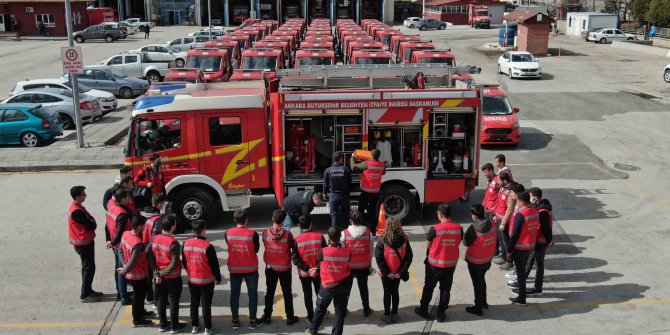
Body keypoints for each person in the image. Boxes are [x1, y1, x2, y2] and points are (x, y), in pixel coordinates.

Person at [416, 204, 463, 322]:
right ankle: (441, 314)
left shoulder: (435, 229)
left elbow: (428, 244)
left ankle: (423, 310)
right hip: (450, 264)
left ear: (441, 215)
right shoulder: (459, 228)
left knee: (429, 287)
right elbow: (459, 240)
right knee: (445, 289)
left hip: (434, 265)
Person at [305, 227, 352, 335]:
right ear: (340, 237)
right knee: (340, 312)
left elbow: (320, 263)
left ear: (329, 238)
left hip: (327, 286)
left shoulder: (322, 252)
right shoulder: (347, 251)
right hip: (343, 285)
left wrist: (315, 269)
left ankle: (312, 330)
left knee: (320, 309)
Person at [224, 209, 264, 330]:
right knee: (252, 295)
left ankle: (235, 321)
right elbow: (256, 249)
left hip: (234, 270)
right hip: (250, 269)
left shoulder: (227, 233)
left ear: (234, 220)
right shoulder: (253, 234)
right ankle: (252, 321)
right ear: (246, 220)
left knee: (234, 295)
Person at [183, 220, 222, 335]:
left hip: (192, 279)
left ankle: (194, 326)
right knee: (206, 305)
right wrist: (218, 278)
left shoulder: (186, 243)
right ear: (204, 230)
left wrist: (190, 272)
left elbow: (184, 261)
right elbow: (214, 265)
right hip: (206, 280)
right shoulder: (208, 246)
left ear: (193, 231)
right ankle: (208, 328)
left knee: (194, 303)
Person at [512, 187, 552, 296]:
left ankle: (537, 289)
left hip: (541, 241)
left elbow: (546, 228)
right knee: (531, 262)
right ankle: (522, 283)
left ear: (535, 197)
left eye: (530, 197)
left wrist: (549, 240)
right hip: (537, 240)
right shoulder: (539, 207)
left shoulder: (542, 211)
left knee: (539, 264)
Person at [262, 209, 300, 325]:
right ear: (283, 221)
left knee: (270, 292)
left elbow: (264, 244)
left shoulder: (265, 232)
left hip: (270, 267)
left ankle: (267, 316)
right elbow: (293, 248)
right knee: (287, 293)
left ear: (272, 219)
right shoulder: (288, 235)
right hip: (284, 268)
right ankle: (290, 317)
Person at [118, 215, 155, 327]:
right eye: (144, 225)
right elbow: (133, 261)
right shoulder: (137, 243)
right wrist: (125, 269)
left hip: (133, 273)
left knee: (141, 294)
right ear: (139, 227)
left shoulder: (125, 234)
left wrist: (124, 264)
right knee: (138, 298)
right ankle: (137, 320)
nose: (145, 227)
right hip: (138, 274)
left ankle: (141, 312)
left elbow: (120, 250)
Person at [151, 214, 186, 333]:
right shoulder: (173, 243)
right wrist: (161, 273)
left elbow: (151, 257)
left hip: (159, 277)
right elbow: (174, 262)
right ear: (173, 227)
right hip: (172, 277)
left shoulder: (155, 238)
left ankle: (162, 324)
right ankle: (174, 326)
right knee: (173, 301)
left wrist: (157, 274)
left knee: (161, 299)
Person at [375, 217, 412, 324]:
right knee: (395, 292)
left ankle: (387, 314)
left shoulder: (382, 240)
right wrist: (400, 272)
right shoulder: (404, 240)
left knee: (387, 292)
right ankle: (394, 313)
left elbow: (379, 258)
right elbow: (408, 258)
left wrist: (387, 273)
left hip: (385, 274)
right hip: (397, 273)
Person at [68, 186, 102, 303]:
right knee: (89, 268)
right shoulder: (76, 211)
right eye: (83, 194)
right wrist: (93, 222)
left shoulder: (77, 207)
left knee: (88, 267)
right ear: (77, 197)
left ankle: (88, 289)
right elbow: (91, 224)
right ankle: (85, 294)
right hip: (83, 243)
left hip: (85, 241)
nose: (85, 195)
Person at [292, 215, 328, 323]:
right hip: (318, 272)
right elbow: (325, 254)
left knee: (307, 295)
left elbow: (295, 259)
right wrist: (316, 269)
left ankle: (311, 316)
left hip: (304, 274)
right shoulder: (319, 236)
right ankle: (322, 313)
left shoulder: (296, 240)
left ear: (299, 226)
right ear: (311, 224)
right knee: (319, 293)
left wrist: (307, 269)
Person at [506, 191, 538, 306]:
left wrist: (509, 251)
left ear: (520, 201)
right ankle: (522, 295)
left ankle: (521, 298)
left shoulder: (521, 215)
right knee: (523, 271)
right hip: (531, 246)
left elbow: (514, 235)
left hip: (520, 248)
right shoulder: (535, 211)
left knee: (520, 274)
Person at [463, 204, 496, 316]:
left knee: (477, 284)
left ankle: (478, 308)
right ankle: (483, 302)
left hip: (475, 261)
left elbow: (465, 242)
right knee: (481, 280)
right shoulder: (492, 223)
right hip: (487, 260)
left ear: (475, 216)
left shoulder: (473, 229)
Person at [340, 210, 373, 317]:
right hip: (364, 265)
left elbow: (341, 249)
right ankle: (366, 309)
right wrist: (369, 262)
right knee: (363, 287)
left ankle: (343, 309)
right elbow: (371, 249)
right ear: (361, 220)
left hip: (349, 266)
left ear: (350, 220)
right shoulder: (368, 233)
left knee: (346, 288)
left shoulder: (344, 233)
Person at [106, 189, 134, 305]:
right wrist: (113, 242)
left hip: (115, 245)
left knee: (117, 268)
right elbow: (119, 233)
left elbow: (107, 226)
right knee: (122, 270)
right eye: (128, 198)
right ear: (122, 199)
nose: (129, 199)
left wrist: (109, 241)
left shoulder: (112, 208)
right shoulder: (121, 214)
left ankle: (120, 292)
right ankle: (124, 297)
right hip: (120, 247)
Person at [140, 193, 167, 306]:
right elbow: (154, 238)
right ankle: (157, 301)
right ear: (159, 204)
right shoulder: (157, 219)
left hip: (143, 246)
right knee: (156, 276)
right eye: (163, 203)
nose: (164, 205)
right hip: (151, 250)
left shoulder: (143, 213)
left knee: (149, 275)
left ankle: (149, 297)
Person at [350, 149, 385, 235]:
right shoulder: (382, 165)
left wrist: (352, 157)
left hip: (366, 192)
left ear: (371, 155)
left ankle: (361, 230)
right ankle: (373, 231)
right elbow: (383, 173)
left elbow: (353, 167)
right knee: (373, 212)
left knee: (360, 210)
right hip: (376, 192)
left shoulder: (367, 163)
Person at [323, 152, 352, 230]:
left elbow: (325, 184)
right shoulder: (345, 169)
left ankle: (334, 234)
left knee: (334, 216)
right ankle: (347, 232)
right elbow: (350, 180)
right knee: (346, 215)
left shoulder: (327, 170)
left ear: (333, 160)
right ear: (340, 159)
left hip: (333, 196)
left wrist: (324, 193)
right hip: (344, 195)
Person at [492, 172, 513, 270]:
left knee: (506, 242)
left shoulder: (510, 192)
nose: (498, 182)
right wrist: (495, 215)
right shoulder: (502, 188)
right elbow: (498, 202)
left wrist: (504, 223)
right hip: (498, 218)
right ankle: (503, 257)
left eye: (499, 181)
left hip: (504, 222)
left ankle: (509, 261)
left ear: (505, 181)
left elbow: (509, 210)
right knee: (501, 240)